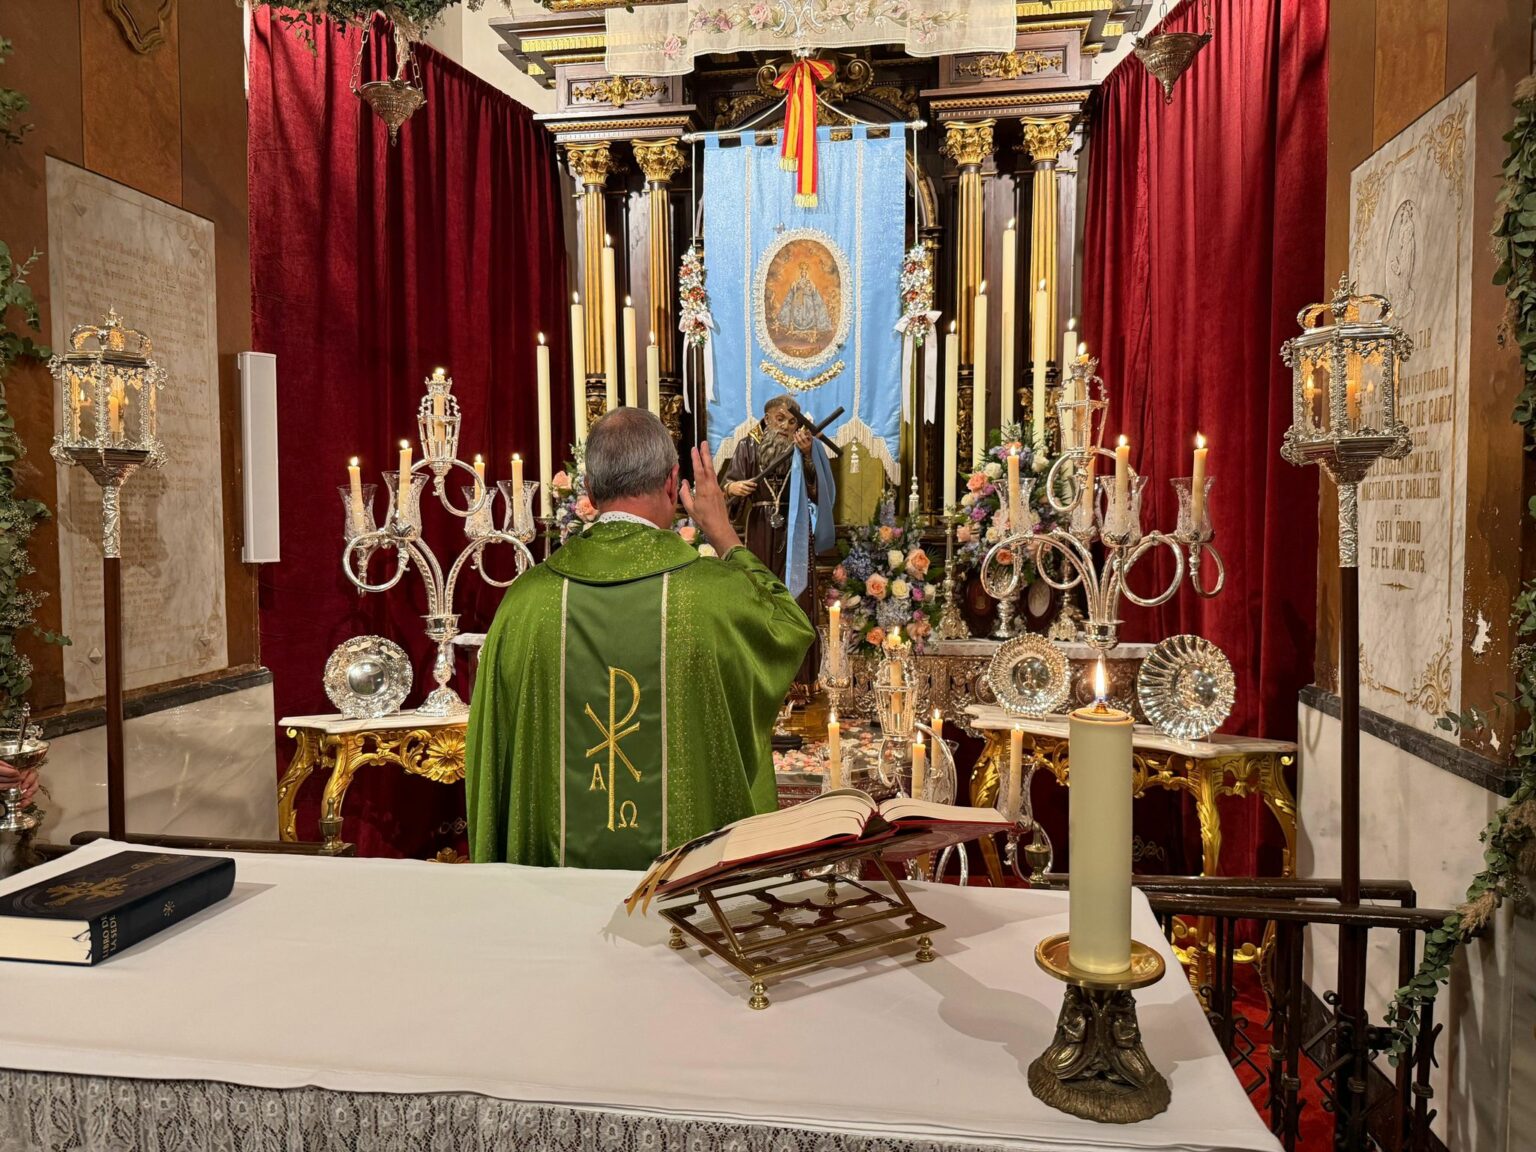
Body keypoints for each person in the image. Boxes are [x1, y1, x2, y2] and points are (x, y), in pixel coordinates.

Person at [465, 408, 815, 868]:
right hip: (689, 909)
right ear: (674, 484)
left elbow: (492, 751)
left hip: (549, 895)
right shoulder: (713, 595)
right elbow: (790, 627)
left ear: (589, 491)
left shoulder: (528, 601)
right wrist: (724, 534)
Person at [720, 394, 836, 693]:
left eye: (792, 421)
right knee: (760, 600)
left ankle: (799, 681)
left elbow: (817, 491)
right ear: (767, 418)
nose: (785, 426)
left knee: (795, 602)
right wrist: (734, 487)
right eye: (779, 419)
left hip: (794, 529)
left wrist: (809, 456)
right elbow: (728, 485)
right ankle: (762, 683)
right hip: (760, 529)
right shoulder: (749, 446)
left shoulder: (804, 449)